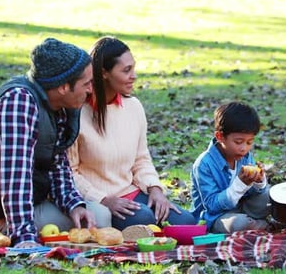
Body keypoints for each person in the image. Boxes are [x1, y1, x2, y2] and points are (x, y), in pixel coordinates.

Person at [0, 38, 97, 248]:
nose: (91, 90)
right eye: (86, 84)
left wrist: (74, 205)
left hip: (34, 201)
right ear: (63, 86)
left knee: (95, 215)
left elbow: (57, 165)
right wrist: (25, 238)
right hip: (1, 218)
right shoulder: (18, 102)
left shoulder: (55, 104)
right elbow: (15, 177)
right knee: (102, 218)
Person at [67, 36, 196, 230]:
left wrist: (155, 189)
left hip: (132, 192)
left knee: (186, 223)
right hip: (101, 200)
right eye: (126, 70)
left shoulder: (133, 107)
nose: (134, 75)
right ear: (104, 73)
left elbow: (141, 159)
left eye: (133, 68)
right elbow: (70, 172)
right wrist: (103, 200)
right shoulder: (77, 112)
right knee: (143, 219)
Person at [190, 102, 270, 233]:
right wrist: (240, 184)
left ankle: (255, 225)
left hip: (242, 207)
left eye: (249, 142)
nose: (244, 148)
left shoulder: (245, 156)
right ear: (220, 136)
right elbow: (212, 206)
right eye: (238, 142)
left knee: (273, 197)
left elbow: (254, 194)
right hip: (217, 217)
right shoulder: (204, 164)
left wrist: (258, 182)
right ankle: (260, 225)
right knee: (240, 223)